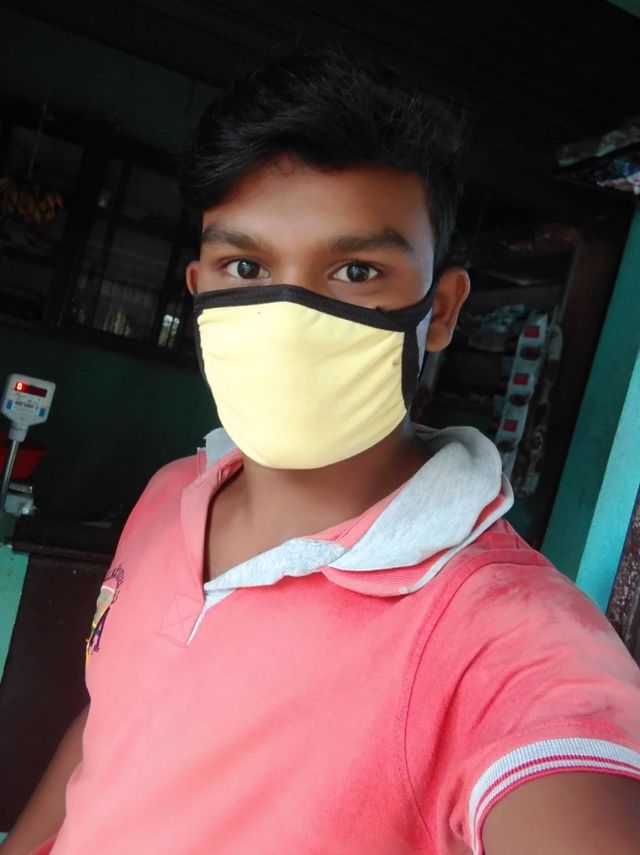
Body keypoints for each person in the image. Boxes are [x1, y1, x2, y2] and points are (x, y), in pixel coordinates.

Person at [4, 47, 640, 855]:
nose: (291, 316)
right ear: (199, 292)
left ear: (441, 311)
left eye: (355, 270)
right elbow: (110, 726)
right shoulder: (173, 490)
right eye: (245, 265)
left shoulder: (503, 640)